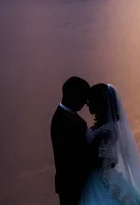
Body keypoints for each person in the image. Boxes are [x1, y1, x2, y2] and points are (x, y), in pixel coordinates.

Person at [79, 84, 140, 205]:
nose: (88, 104)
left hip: (101, 178)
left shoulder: (107, 129)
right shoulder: (104, 127)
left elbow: (108, 159)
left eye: (91, 101)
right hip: (103, 176)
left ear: (99, 104)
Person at [51, 77, 92, 205]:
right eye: (83, 96)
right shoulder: (72, 122)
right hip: (72, 186)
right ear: (73, 96)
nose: (85, 102)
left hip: (67, 185)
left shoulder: (60, 116)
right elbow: (77, 156)